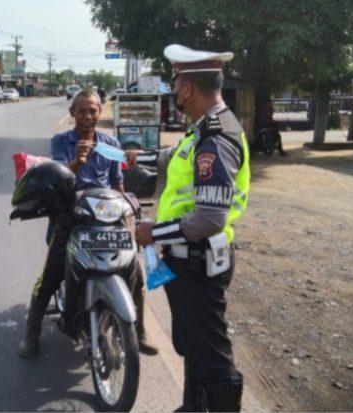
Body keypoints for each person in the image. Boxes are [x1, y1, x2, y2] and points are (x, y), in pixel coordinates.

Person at [126, 44, 251, 412]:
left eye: (175, 82)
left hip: (198, 263)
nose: (174, 90)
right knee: (192, 345)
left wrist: (153, 232)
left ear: (186, 89)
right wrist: (134, 155)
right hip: (189, 261)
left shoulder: (215, 137)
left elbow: (210, 217)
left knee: (213, 360)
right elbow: (176, 158)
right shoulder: (205, 128)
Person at [16, 89, 159, 358]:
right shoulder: (61, 142)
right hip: (73, 217)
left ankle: (139, 330)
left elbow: (117, 183)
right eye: (82, 111)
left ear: (99, 113)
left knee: (134, 272)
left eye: (93, 110)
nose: (88, 116)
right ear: (72, 114)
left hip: (108, 215)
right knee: (51, 276)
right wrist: (77, 162)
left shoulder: (110, 144)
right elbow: (56, 178)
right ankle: (31, 333)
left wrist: (127, 215)